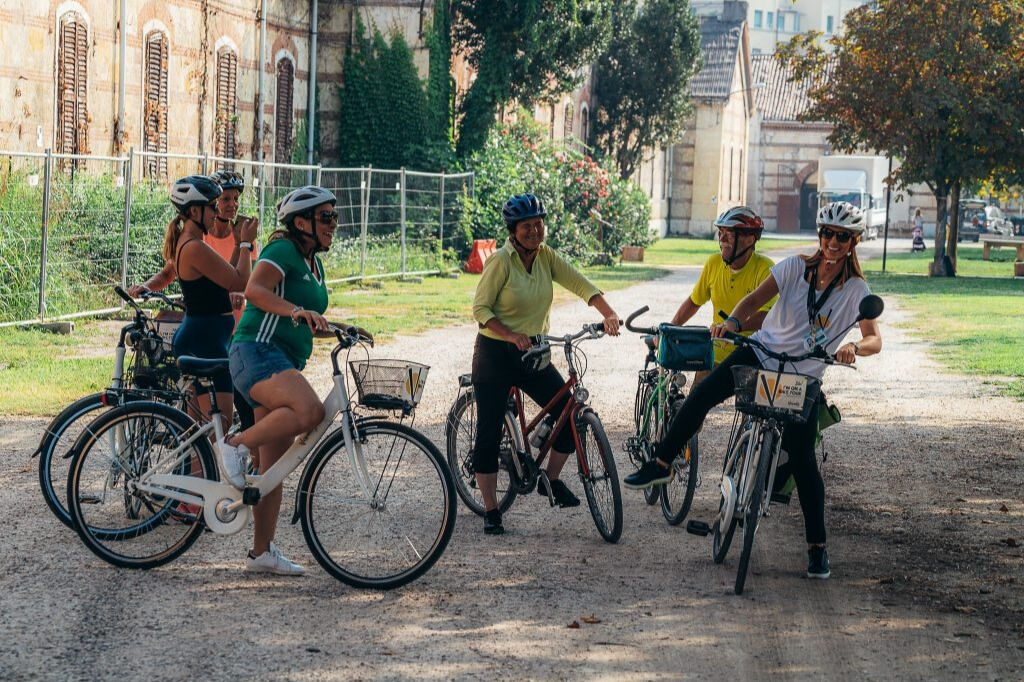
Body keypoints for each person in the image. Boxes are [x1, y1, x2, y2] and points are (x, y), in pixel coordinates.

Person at [625, 201, 883, 580]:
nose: (832, 242)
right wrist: (731, 322)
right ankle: (660, 464)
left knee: (804, 461)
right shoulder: (795, 267)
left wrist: (853, 348)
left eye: (841, 237)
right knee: (702, 395)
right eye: (827, 233)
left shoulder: (858, 290)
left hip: (803, 377)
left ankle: (817, 549)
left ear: (853, 242)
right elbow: (755, 300)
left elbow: (875, 338)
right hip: (761, 354)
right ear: (819, 236)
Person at [223, 186, 369, 575]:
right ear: (301, 222)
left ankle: (261, 554)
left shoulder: (313, 264)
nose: (333, 225)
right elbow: (254, 290)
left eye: (335, 217)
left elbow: (303, 318)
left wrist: (337, 328)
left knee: (274, 469)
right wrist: (297, 310)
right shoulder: (282, 251)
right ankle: (234, 445)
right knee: (310, 411)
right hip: (255, 351)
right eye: (326, 217)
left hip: (279, 357)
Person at [470, 193, 621, 536]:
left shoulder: (546, 257)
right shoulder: (500, 262)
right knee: (489, 432)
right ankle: (492, 509)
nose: (535, 231)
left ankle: (549, 479)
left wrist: (608, 312)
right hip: (495, 352)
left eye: (539, 224)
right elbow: (481, 310)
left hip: (532, 352)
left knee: (569, 410)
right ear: (513, 231)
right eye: (527, 226)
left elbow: (580, 283)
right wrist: (509, 335)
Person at [163, 175, 254, 432]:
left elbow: (227, 274)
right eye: (212, 206)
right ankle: (200, 472)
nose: (217, 212)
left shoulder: (193, 243)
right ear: (194, 210)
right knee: (218, 430)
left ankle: (194, 472)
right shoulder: (194, 247)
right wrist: (247, 243)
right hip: (206, 343)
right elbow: (239, 282)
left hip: (203, 339)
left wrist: (237, 244)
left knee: (202, 433)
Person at [668, 206, 776, 383]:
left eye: (730, 234)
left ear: (750, 239)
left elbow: (766, 316)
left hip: (751, 352)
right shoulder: (713, 263)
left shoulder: (765, 268)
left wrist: (733, 326)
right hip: (716, 351)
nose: (722, 239)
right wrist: (670, 329)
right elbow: (694, 302)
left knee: (758, 407)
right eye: (720, 232)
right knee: (695, 402)